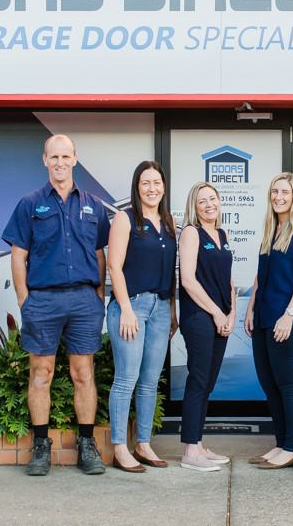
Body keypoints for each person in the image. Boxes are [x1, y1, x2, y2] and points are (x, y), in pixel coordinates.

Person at [1, 134, 110, 476]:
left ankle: (87, 445)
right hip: (43, 300)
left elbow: (100, 254)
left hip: (84, 300)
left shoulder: (93, 205)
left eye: (65, 156)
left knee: (83, 373)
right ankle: (40, 446)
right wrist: (24, 299)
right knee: (41, 374)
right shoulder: (30, 204)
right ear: (44, 160)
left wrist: (98, 295)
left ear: (75, 159)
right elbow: (18, 255)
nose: (60, 162)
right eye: (54, 157)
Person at [105, 161, 178, 473]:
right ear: (137, 187)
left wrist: (172, 310)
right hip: (131, 306)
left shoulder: (168, 222)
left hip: (160, 308)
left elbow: (170, 271)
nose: (152, 188)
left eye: (157, 182)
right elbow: (114, 266)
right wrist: (125, 308)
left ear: (164, 186)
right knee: (126, 379)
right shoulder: (125, 219)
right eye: (146, 182)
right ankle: (120, 448)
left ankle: (143, 444)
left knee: (149, 381)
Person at [244, 173, 293, 469]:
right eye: (275, 191)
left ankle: (290, 447)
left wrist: (289, 315)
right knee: (269, 383)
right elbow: (260, 276)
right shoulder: (271, 229)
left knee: (286, 383)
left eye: (285, 192)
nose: (278, 197)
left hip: (285, 320)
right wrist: (250, 308)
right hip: (264, 317)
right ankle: (279, 443)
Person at [178, 181, 235, 472]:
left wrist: (231, 313)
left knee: (208, 383)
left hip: (220, 316)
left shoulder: (222, 234)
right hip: (199, 316)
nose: (209, 204)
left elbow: (229, 280)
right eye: (203, 201)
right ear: (195, 206)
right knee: (199, 380)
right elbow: (188, 280)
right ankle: (190, 450)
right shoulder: (191, 232)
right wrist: (216, 313)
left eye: (213, 198)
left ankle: (198, 444)